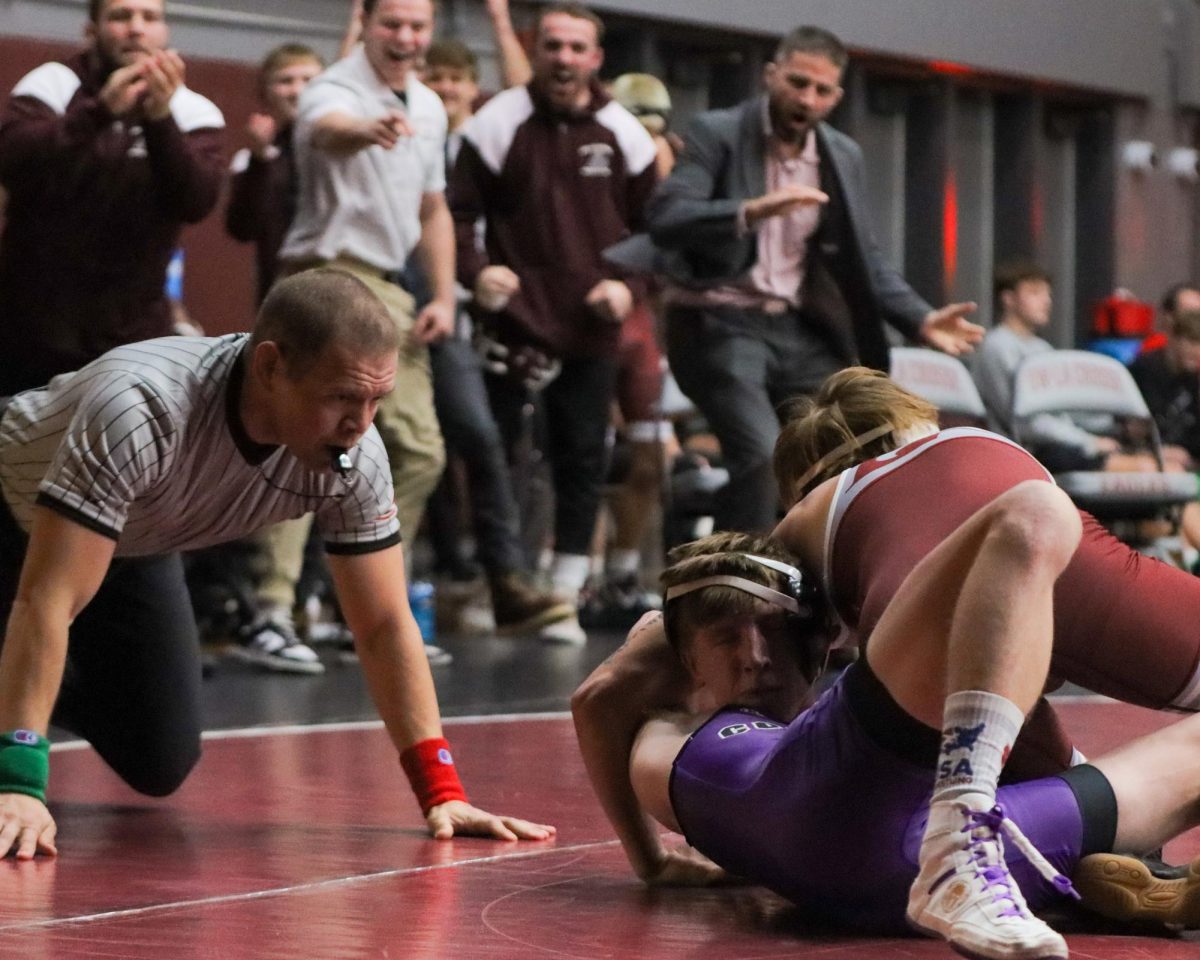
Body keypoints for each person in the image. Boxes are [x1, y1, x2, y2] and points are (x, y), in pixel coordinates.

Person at [0, 269, 556, 861]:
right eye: (341, 396)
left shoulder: (355, 454)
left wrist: (442, 792)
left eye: (376, 400)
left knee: (159, 756)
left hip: (135, 540)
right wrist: (21, 784)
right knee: (42, 619)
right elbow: (47, 600)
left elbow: (386, 624)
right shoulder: (143, 406)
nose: (361, 422)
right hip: (10, 514)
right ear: (269, 367)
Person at [577, 531, 1200, 959]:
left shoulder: (679, 745)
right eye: (726, 641)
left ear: (816, 641)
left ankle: (1113, 878)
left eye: (770, 631)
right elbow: (597, 697)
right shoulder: (667, 728)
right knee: (1030, 515)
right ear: (684, 659)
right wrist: (649, 860)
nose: (756, 660)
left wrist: (651, 862)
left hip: (896, 885)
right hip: (850, 810)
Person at [608, 25, 981, 534]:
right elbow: (668, 216)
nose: (807, 99)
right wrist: (749, 210)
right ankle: (734, 589)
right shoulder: (716, 133)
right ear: (771, 75)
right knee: (762, 455)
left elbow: (863, 258)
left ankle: (834, 583)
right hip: (719, 320)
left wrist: (921, 319)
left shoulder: (841, 154)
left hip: (797, 329)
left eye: (821, 90)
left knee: (859, 446)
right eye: (797, 83)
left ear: (837, 97)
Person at [449, 1, 660, 642]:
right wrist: (477, 272)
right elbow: (453, 215)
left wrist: (627, 287)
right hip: (511, 327)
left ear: (596, 59)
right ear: (535, 51)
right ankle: (502, 585)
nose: (563, 58)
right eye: (553, 46)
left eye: (577, 48)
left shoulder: (626, 134)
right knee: (496, 459)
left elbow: (658, 233)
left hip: (591, 327)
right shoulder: (495, 124)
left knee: (580, 460)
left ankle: (564, 595)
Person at [259, 0, 454, 663]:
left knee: (421, 451)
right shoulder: (333, 89)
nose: (405, 37)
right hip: (332, 273)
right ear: (366, 24)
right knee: (302, 441)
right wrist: (366, 129)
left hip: (394, 287)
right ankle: (272, 609)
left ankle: (364, 609)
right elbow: (326, 131)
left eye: (417, 26)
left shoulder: (430, 106)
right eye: (392, 23)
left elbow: (433, 208)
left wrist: (446, 294)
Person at [404, 37, 577, 638]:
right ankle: (426, 576)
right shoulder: (404, 123)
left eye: (457, 79)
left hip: (459, 304)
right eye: (436, 76)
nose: (445, 89)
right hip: (392, 288)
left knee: (477, 437)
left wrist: (501, 21)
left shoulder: (485, 138)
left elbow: (522, 90)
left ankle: (505, 576)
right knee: (411, 447)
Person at [0, 0, 226, 394]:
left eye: (149, 18)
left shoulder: (194, 111)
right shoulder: (52, 83)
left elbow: (195, 200)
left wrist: (160, 121)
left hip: (129, 338)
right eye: (121, 16)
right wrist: (100, 111)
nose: (136, 29)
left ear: (165, 33)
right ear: (92, 30)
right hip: (28, 329)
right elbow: (12, 159)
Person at [971, 261, 1148, 473]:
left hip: (1061, 443)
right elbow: (1023, 423)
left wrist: (1116, 426)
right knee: (1141, 467)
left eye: (1048, 294)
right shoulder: (996, 347)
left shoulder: (1042, 348)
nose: (1046, 302)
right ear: (1008, 298)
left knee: (1139, 453)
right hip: (1028, 452)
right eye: (1035, 293)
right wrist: (1088, 442)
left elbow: (1064, 410)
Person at [225, 44, 325, 304]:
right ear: (266, 91)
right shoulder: (255, 159)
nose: (298, 90)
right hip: (282, 292)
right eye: (285, 81)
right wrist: (260, 160)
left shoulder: (344, 150)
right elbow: (241, 228)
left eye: (309, 80)